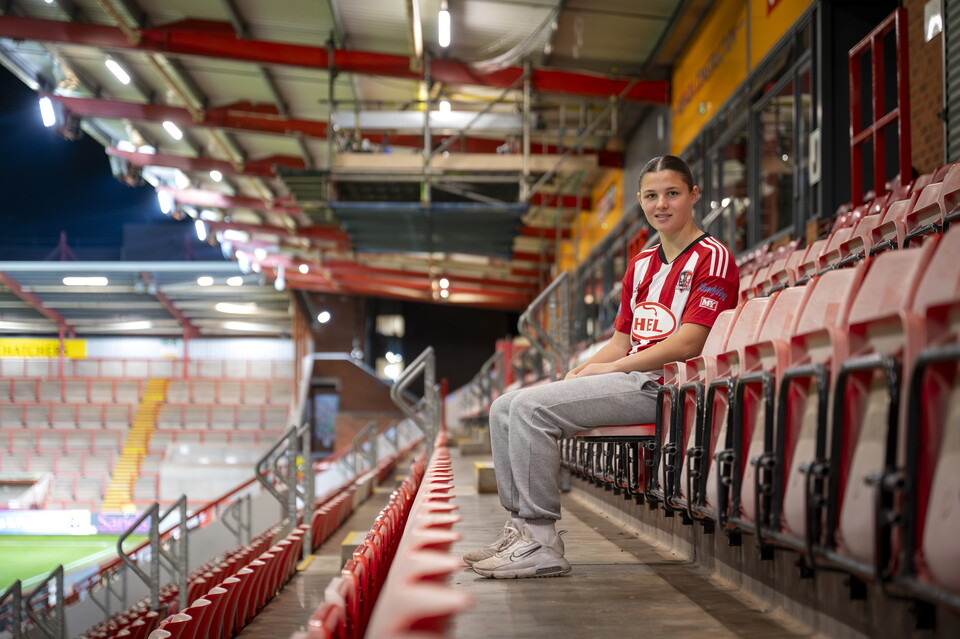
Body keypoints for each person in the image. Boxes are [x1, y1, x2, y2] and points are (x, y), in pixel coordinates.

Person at [464, 155, 740, 579]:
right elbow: (620, 342)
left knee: (530, 410)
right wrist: (581, 370)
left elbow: (691, 341)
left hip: (668, 387)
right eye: (651, 195)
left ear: (693, 195)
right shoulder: (641, 264)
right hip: (630, 378)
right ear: (640, 200)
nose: (661, 204)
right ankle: (521, 527)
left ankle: (542, 540)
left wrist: (612, 370)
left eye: (673, 193)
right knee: (504, 405)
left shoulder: (712, 257)